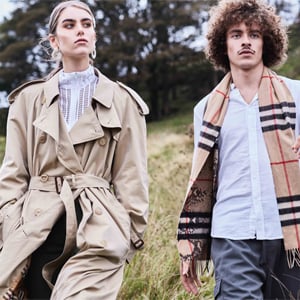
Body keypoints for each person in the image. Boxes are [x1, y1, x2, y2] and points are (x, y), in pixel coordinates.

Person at [0, 1, 149, 299]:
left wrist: (129, 236)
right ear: (54, 40)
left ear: (94, 36)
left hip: (98, 225)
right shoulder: (28, 100)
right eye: (69, 25)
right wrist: (10, 223)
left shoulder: (123, 101)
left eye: (87, 24)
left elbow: (132, 177)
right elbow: (13, 173)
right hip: (38, 225)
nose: (80, 30)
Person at [177, 0, 300, 298]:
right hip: (231, 233)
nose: (246, 40)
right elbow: (202, 183)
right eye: (236, 34)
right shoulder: (205, 109)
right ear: (223, 43)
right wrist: (190, 246)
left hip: (289, 233)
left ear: (266, 42)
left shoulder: (296, 95)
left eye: (254, 34)